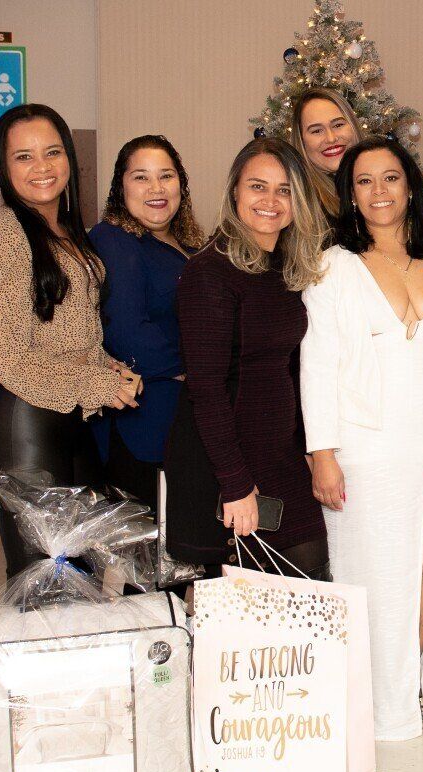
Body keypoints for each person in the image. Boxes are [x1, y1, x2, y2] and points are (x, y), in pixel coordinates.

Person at [300, 136, 423, 741]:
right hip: (363, 442)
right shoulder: (332, 265)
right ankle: (381, 703)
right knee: (374, 574)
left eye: (390, 177)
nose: (379, 191)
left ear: (411, 186)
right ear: (350, 194)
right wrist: (321, 452)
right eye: (364, 181)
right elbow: (317, 363)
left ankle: (414, 682)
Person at [0, 104, 138, 573]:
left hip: (65, 417)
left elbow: (64, 331)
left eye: (52, 152)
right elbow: (0, 350)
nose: (41, 166)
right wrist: (96, 384)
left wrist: (105, 366)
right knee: (46, 581)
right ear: (3, 167)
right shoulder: (5, 234)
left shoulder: (64, 229)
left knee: (82, 573)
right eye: (23, 156)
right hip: (20, 421)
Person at [165, 138, 330, 576]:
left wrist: (308, 446)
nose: (270, 201)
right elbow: (207, 390)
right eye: (258, 186)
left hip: (279, 452)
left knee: (309, 580)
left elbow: (290, 368)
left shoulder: (285, 268)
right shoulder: (210, 271)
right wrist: (236, 484)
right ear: (235, 191)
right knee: (245, 602)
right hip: (226, 458)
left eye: (284, 190)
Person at [89, 135, 205, 503]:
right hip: (146, 420)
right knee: (148, 532)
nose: (156, 188)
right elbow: (126, 331)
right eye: (141, 177)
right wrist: (203, 367)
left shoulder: (189, 244)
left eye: (166, 176)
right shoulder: (114, 239)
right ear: (120, 186)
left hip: (185, 416)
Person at [288, 87, 361, 223]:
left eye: (338, 125)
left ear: (353, 126)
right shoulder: (298, 206)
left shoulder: (381, 186)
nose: (331, 138)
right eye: (316, 131)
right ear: (301, 141)